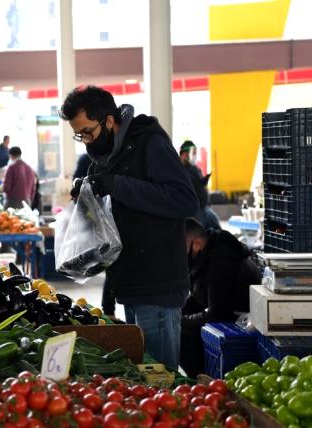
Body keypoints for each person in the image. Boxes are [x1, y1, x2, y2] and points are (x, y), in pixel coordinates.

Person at [61, 85, 198, 371]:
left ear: (109, 121)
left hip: (158, 284)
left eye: (88, 131)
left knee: (160, 377)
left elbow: (184, 201)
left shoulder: (150, 143)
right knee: (145, 373)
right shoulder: (106, 155)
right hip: (130, 282)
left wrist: (117, 185)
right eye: (79, 134)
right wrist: (87, 196)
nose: (85, 140)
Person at [180, 218, 263, 377]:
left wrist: (181, 321)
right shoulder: (209, 252)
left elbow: (218, 313)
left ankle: (203, 382)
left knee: (183, 336)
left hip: (241, 323)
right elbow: (200, 297)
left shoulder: (221, 260)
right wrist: (178, 313)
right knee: (180, 325)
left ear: (196, 244)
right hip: (228, 314)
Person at [179, 140, 221, 230]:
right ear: (184, 155)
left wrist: (205, 179)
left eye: (195, 153)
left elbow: (199, 183)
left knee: (217, 229)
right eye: (193, 153)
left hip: (205, 208)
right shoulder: (179, 170)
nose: (195, 156)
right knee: (197, 233)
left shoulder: (195, 168)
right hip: (194, 211)